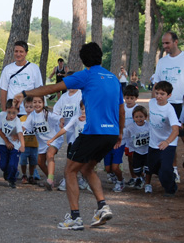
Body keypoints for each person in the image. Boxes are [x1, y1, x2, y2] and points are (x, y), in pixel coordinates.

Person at [13, 42, 123, 231]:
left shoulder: (86, 75)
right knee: (88, 169)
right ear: (100, 57)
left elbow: (52, 89)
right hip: (111, 134)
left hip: (93, 132)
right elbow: (121, 110)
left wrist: (25, 93)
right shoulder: (113, 78)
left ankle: (75, 218)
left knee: (70, 171)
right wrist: (120, 133)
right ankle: (102, 207)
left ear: (83, 60)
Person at [152, 31, 184, 183]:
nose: (165, 46)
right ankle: (173, 170)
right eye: (163, 44)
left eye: (167, 43)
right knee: (169, 140)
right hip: (166, 105)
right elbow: (156, 85)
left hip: (183, 104)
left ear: (176, 42)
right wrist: (155, 104)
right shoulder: (162, 62)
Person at [144, 81, 181, 196]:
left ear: (169, 95)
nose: (159, 96)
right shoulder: (151, 102)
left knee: (165, 169)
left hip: (168, 143)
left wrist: (167, 141)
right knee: (152, 167)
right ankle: (170, 174)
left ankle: (171, 189)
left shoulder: (169, 110)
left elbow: (176, 130)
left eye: (162, 94)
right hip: (154, 142)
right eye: (157, 93)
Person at [21, 96, 65, 190]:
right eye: (35, 102)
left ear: (43, 103)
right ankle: (51, 180)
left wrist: (61, 121)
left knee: (50, 154)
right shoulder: (31, 116)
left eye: (39, 102)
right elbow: (23, 128)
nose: (37, 104)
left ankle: (49, 179)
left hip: (54, 139)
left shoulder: (47, 114)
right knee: (40, 162)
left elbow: (59, 118)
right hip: (42, 143)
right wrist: (15, 135)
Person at [47, 101, 90, 192]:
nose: (83, 111)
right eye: (82, 109)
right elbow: (64, 129)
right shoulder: (76, 118)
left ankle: (88, 181)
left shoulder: (93, 119)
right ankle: (67, 180)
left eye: (86, 109)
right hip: (76, 145)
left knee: (87, 166)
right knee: (70, 164)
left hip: (88, 146)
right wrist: (53, 139)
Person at [0, 41, 43, 115]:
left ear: (26, 53)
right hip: (12, 111)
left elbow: (39, 89)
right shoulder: (7, 69)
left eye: (21, 51)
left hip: (29, 111)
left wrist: (40, 110)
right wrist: (4, 111)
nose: (18, 54)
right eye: (16, 51)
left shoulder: (34, 68)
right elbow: (3, 90)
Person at [0, 99, 25, 188]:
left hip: (15, 144)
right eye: (9, 112)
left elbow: (20, 133)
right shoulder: (1, 115)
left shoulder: (17, 121)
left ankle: (12, 180)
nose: (11, 115)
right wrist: (7, 142)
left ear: (18, 112)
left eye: (14, 113)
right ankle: (8, 172)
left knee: (12, 164)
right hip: (3, 142)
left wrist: (22, 145)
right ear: (6, 110)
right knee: (3, 165)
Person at [123, 106, 150, 190]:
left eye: (141, 117)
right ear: (133, 118)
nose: (139, 119)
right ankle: (141, 177)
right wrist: (128, 147)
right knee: (136, 170)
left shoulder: (149, 126)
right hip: (137, 152)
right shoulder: (130, 128)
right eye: (136, 117)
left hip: (147, 151)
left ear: (146, 117)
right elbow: (126, 137)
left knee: (147, 169)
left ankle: (147, 183)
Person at [19, 96, 39, 185]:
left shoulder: (38, 118)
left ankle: (31, 175)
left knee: (33, 161)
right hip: (24, 145)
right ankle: (24, 175)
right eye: (27, 107)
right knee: (23, 161)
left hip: (34, 144)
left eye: (31, 107)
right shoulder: (21, 119)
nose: (29, 109)